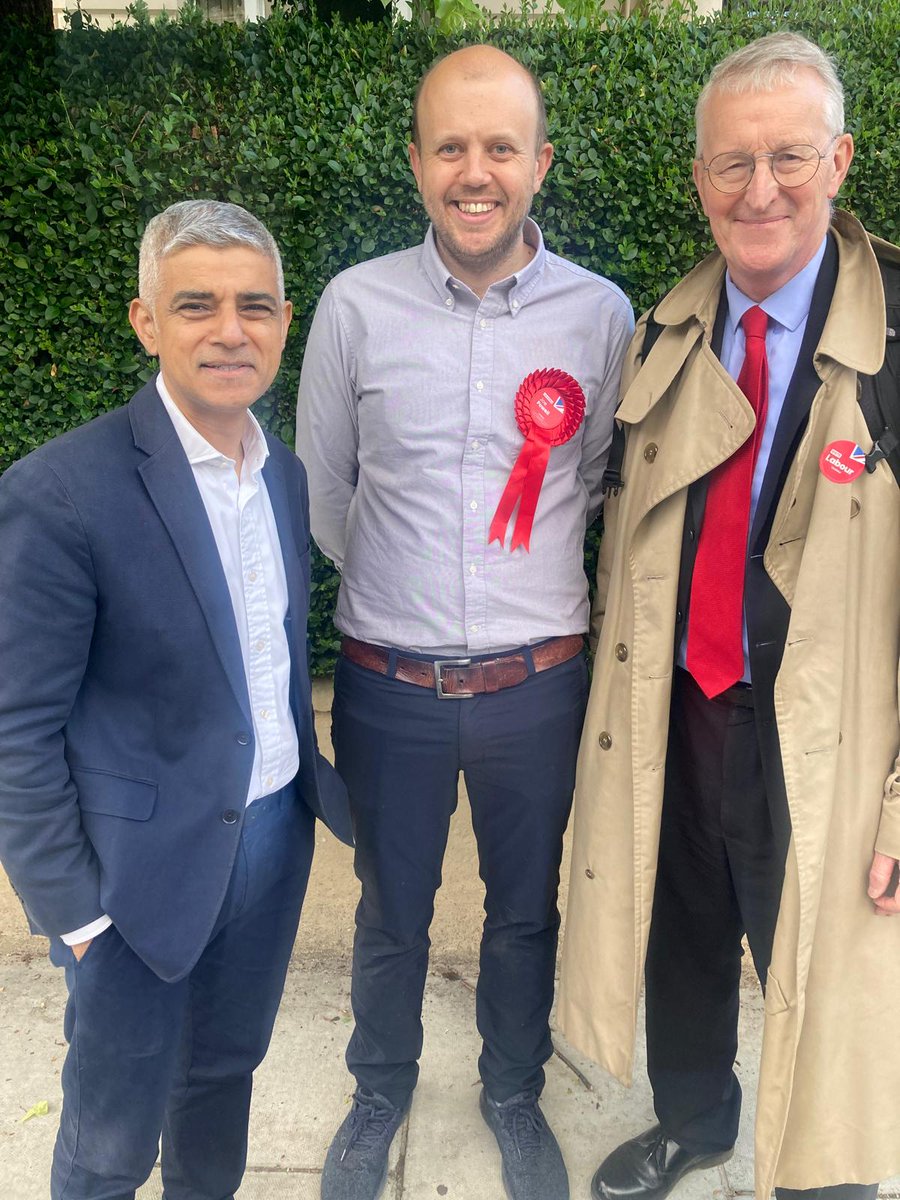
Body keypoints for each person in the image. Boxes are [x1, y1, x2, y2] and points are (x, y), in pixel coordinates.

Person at [557, 30, 900, 1200]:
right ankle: (696, 1120)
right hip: (683, 709)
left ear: (840, 161)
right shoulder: (666, 328)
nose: (760, 191)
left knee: (826, 969)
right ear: (698, 176)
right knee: (682, 933)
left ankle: (826, 1175)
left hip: (830, 736)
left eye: (789, 157)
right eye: (731, 163)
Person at [297, 43, 633, 1200]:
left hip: (538, 689)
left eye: (500, 147)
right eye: (450, 147)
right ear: (416, 163)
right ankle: (379, 1089)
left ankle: (512, 1093)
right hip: (389, 686)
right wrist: (409, 598)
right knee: (389, 911)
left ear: (541, 163)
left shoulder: (601, 315)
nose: (474, 172)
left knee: (524, 912)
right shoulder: (355, 306)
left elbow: (596, 483)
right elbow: (325, 494)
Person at [0, 199, 352, 1200]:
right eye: (197, 305)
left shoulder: (282, 476)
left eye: (255, 306)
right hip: (131, 878)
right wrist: (74, 915)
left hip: (272, 841)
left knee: (222, 1081)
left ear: (285, 322)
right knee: (111, 1135)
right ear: (147, 322)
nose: (230, 330)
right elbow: (15, 727)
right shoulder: (61, 492)